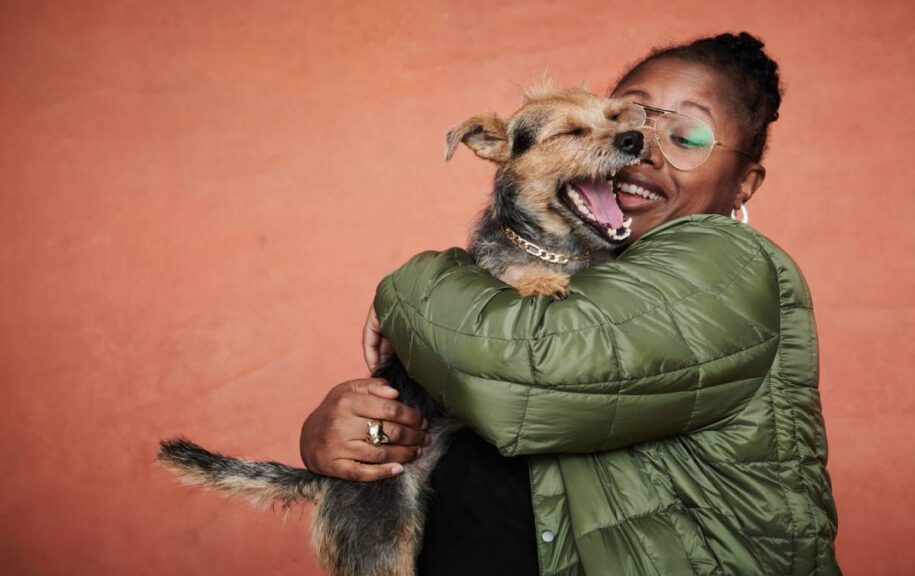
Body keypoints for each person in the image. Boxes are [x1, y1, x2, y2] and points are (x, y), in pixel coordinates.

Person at [300, 32, 841, 576]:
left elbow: (522, 374)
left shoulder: (728, 265)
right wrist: (362, 434)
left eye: (685, 136)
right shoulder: (592, 265)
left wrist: (406, 287)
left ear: (744, 185)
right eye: (629, 118)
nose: (640, 145)